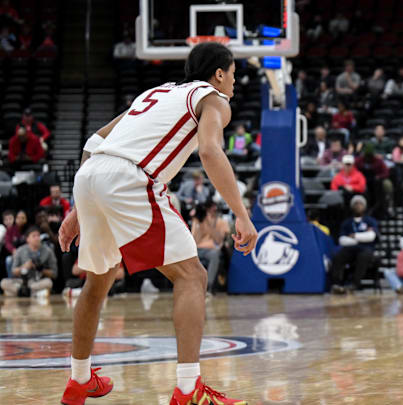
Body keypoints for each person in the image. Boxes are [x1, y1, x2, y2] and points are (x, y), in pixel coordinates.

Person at [57, 42, 257, 404]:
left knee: (99, 279)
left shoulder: (158, 91)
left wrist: (79, 206)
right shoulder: (213, 98)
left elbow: (94, 140)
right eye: (233, 75)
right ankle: (188, 389)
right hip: (130, 178)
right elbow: (211, 151)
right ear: (219, 74)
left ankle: (79, 379)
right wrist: (241, 215)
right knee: (192, 276)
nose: (234, 83)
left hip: (91, 174)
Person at [329, 195, 378, 294]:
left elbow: (371, 236)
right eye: (356, 204)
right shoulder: (347, 222)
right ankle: (336, 284)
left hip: (366, 249)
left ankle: (354, 284)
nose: (358, 206)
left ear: (365, 206)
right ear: (352, 206)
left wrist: (354, 236)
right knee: (338, 256)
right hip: (350, 249)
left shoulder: (370, 221)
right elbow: (342, 240)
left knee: (363, 256)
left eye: (360, 204)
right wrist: (361, 238)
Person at [1, 226, 57, 297]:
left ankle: (21, 293)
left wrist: (41, 270)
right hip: (22, 282)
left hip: (38, 281)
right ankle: (34, 293)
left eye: (38, 236)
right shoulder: (20, 250)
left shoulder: (48, 251)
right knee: (3, 282)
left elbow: (54, 274)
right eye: (34, 236)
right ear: (27, 239)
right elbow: (13, 271)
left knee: (49, 283)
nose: (37, 238)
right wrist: (24, 267)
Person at [191, 200, 230, 293]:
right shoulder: (198, 219)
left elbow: (219, 240)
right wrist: (199, 223)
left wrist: (210, 224)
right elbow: (195, 240)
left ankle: (208, 285)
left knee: (215, 255)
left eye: (213, 209)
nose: (210, 212)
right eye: (208, 209)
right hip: (197, 249)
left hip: (211, 250)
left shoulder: (222, 222)